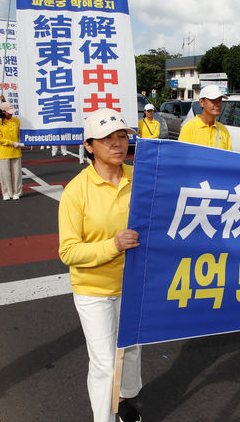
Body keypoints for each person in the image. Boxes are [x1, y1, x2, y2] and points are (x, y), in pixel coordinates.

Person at [58, 108, 142, 422]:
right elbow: (68, 252)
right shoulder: (76, 190)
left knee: (130, 352)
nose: (117, 144)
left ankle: (121, 401)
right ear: (89, 146)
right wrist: (113, 245)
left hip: (133, 285)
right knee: (105, 363)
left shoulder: (141, 178)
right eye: (107, 139)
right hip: (94, 290)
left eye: (122, 136)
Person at [178, 85, 231, 150]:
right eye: (213, 100)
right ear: (201, 102)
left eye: (220, 100)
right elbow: (182, 154)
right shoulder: (189, 128)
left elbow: (228, 155)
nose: (218, 104)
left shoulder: (223, 130)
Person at [0, 102, 23, 200]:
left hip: (16, 150)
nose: (11, 114)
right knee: (5, 174)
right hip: (4, 151)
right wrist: (11, 143)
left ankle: (17, 192)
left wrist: (20, 142)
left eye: (11, 112)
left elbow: (19, 134)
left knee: (17, 173)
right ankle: (6, 192)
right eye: (9, 112)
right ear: (3, 112)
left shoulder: (16, 120)